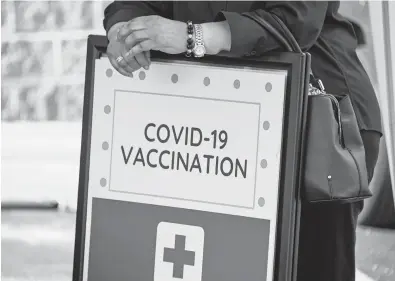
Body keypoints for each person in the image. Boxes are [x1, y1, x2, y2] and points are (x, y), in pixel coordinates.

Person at [103, 2, 382, 281]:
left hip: (314, 122)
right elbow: (133, 4)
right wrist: (123, 31)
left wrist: (192, 36)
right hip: (213, 123)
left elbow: (297, 19)